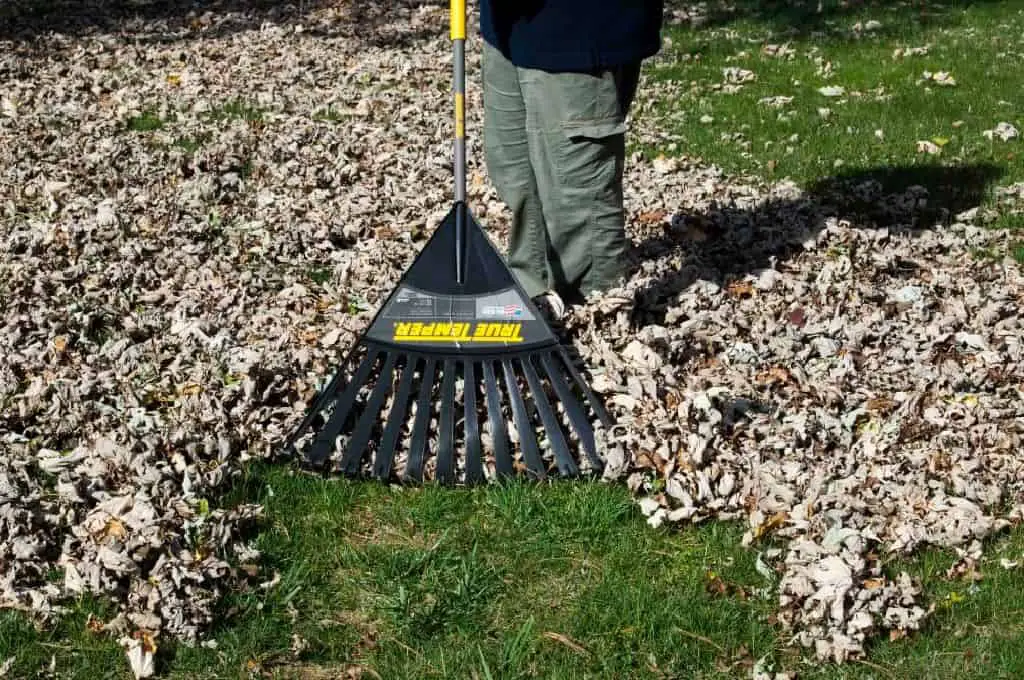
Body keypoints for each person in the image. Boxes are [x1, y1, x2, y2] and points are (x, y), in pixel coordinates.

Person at [479, 0, 664, 319]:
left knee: (576, 195)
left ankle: (591, 317)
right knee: (515, 172)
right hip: (508, 26)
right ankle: (534, 295)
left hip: (578, 25)